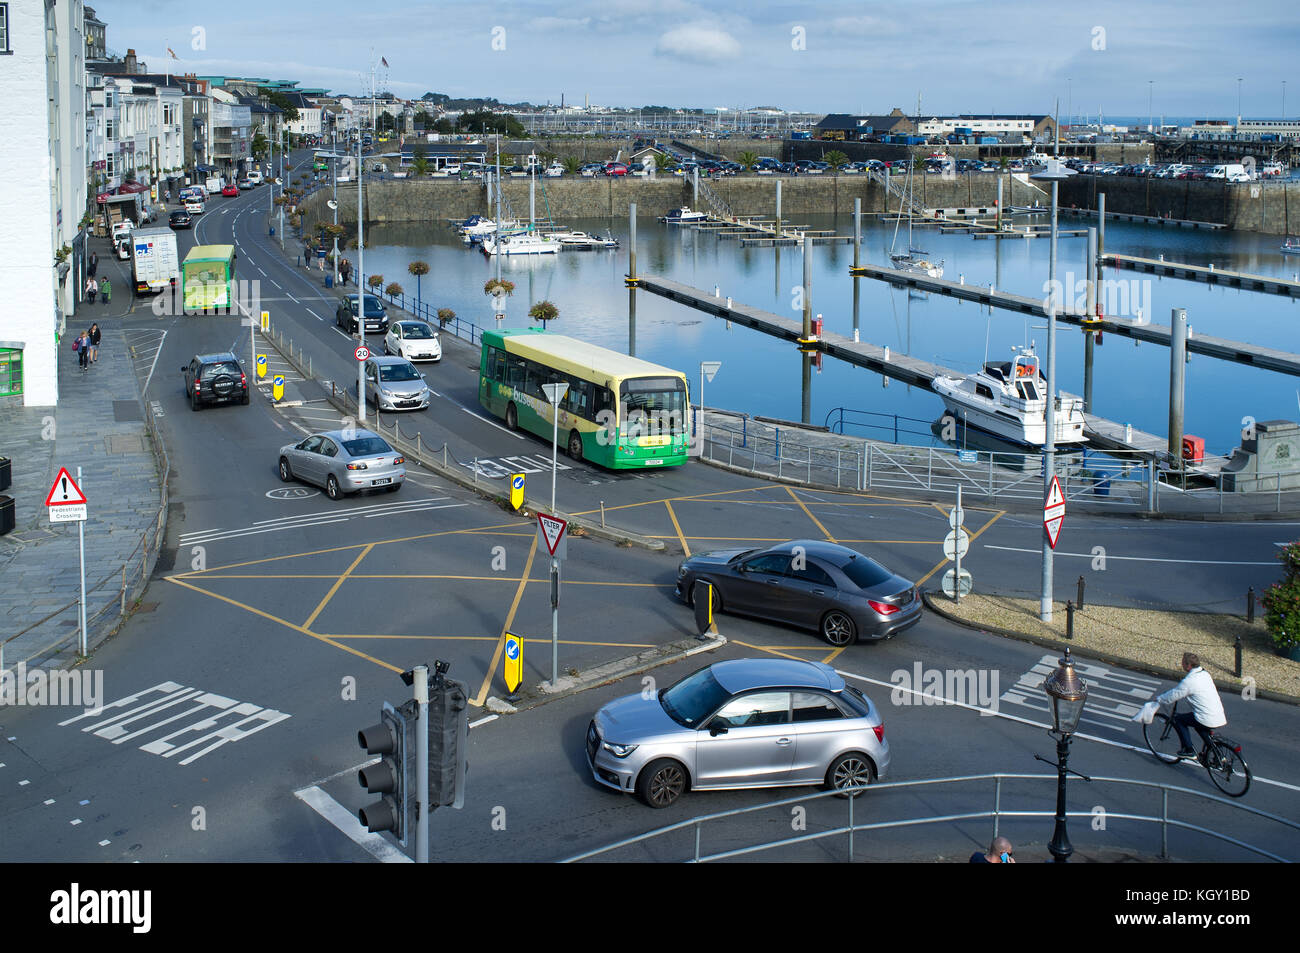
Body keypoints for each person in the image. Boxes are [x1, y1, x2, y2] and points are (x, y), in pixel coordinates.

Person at [1155, 652, 1227, 758]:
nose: (1181, 664)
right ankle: (1219, 756)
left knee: (1178, 719)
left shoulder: (1189, 681)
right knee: (1200, 727)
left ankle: (1189, 750)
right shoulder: (1205, 674)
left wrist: (1159, 699)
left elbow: (1173, 695)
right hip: (1218, 714)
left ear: (1188, 665)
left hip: (1206, 716)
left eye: (1183, 662)